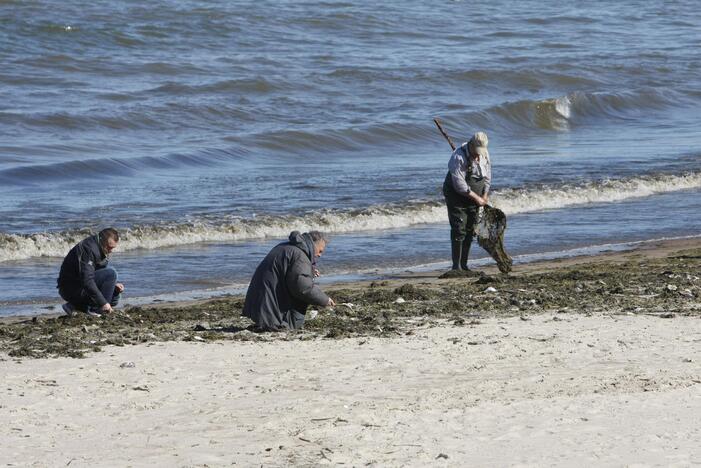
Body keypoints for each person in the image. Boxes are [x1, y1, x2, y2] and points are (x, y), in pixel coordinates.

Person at [243, 230, 335, 331]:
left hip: (259, 298)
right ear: (313, 245)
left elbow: (289, 272)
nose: (320, 255)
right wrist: (324, 300)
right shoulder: (300, 256)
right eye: (320, 251)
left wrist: (310, 271)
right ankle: (277, 323)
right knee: (293, 315)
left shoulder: (288, 247)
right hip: (269, 303)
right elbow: (303, 287)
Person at [442, 131, 491, 271]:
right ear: (471, 145)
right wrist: (477, 198)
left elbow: (487, 177)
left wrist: (485, 195)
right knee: (459, 228)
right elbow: (460, 185)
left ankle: (465, 264)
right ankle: (456, 267)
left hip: (476, 195)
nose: (478, 155)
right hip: (456, 195)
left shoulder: (485, 154)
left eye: (480, 152)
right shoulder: (458, 157)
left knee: (470, 229)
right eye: (476, 151)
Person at [57, 227, 125, 315]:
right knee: (111, 274)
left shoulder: (101, 249)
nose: (110, 251)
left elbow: (98, 272)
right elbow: (87, 280)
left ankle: (75, 306)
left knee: (115, 297)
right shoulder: (88, 249)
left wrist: (112, 286)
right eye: (109, 247)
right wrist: (103, 303)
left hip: (81, 287)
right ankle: (100, 310)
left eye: (112, 248)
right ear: (101, 240)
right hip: (70, 288)